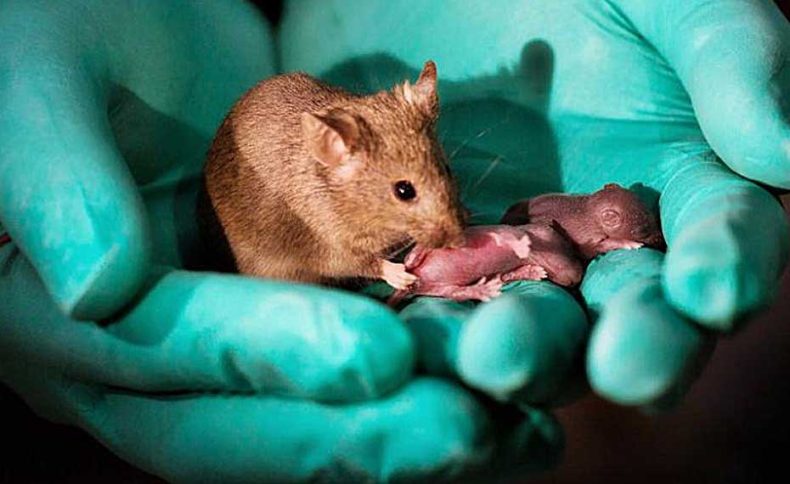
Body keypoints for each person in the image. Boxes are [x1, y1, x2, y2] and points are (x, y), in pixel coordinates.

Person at [1, 0, 788, 481]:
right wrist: (381, 263)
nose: (446, 212)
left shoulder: (400, 125)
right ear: (337, 152)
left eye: (436, 175)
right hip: (272, 253)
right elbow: (334, 237)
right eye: (409, 192)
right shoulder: (328, 176)